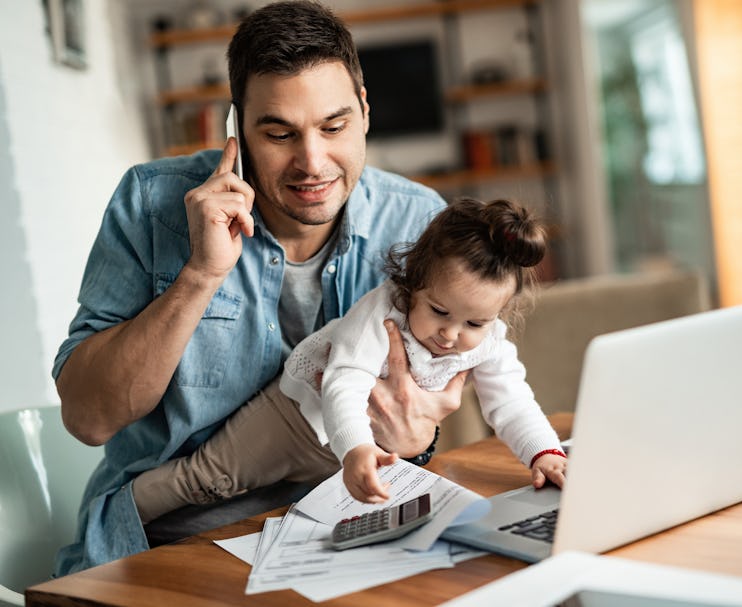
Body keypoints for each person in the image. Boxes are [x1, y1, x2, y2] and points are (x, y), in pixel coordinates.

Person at [52, 0, 465, 576]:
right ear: (236, 129)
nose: (312, 162)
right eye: (278, 133)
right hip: (174, 540)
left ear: (365, 110)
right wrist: (200, 274)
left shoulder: (419, 221)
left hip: (350, 525)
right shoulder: (150, 206)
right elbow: (88, 418)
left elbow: (430, 405)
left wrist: (418, 437)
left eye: (334, 126)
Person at [132, 197, 567, 522]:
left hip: (351, 451)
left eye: (475, 322)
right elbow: (345, 382)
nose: (451, 335)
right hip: (294, 418)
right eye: (439, 312)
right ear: (414, 283)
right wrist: (357, 449)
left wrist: (543, 454)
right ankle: (125, 509)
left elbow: (511, 401)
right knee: (207, 480)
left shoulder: (489, 342)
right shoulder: (382, 311)